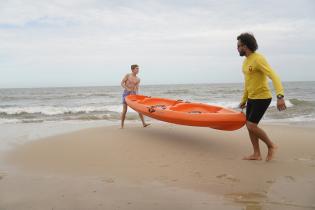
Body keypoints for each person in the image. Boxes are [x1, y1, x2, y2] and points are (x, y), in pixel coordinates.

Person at [237, 32, 286, 161]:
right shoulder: (245, 62)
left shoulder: (258, 59)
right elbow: (247, 83)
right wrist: (243, 100)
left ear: (245, 46)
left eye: (239, 46)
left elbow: (273, 76)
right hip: (252, 98)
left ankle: (271, 146)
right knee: (249, 127)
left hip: (263, 97)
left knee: (251, 125)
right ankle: (256, 154)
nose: (237, 48)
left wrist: (280, 96)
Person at [120, 64, 150, 129]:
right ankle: (122, 125)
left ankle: (144, 123)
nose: (138, 70)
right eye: (136, 68)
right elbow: (122, 83)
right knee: (125, 110)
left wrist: (137, 95)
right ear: (132, 69)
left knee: (139, 109)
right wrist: (126, 88)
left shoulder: (138, 79)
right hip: (126, 94)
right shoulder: (128, 75)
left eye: (138, 69)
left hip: (133, 94)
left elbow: (137, 88)